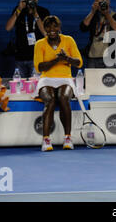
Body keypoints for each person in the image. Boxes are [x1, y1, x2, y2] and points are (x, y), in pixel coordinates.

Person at [34, 15, 83, 151]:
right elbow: (39, 67)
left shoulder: (69, 40)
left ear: (59, 27)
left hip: (65, 78)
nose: (52, 29)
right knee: (49, 100)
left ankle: (68, 138)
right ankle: (46, 140)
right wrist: (57, 60)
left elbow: (79, 63)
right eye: (48, 27)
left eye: (55, 26)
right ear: (44, 29)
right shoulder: (40, 44)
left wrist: (66, 58)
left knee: (63, 98)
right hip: (46, 79)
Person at [5, 0, 50, 78]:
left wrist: (36, 15)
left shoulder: (43, 11)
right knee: (20, 86)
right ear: (24, 0)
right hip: (20, 56)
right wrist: (18, 10)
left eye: (34, 0)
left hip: (37, 57)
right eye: (29, 0)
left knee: (35, 86)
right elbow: (8, 28)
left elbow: (45, 33)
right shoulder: (19, 10)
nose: (32, 2)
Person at [79, 0, 116, 68]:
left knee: (110, 79)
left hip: (110, 57)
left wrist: (107, 14)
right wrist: (92, 12)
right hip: (93, 56)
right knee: (92, 79)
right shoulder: (94, 17)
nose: (101, 4)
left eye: (103, 1)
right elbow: (83, 27)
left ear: (108, 2)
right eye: (98, 2)